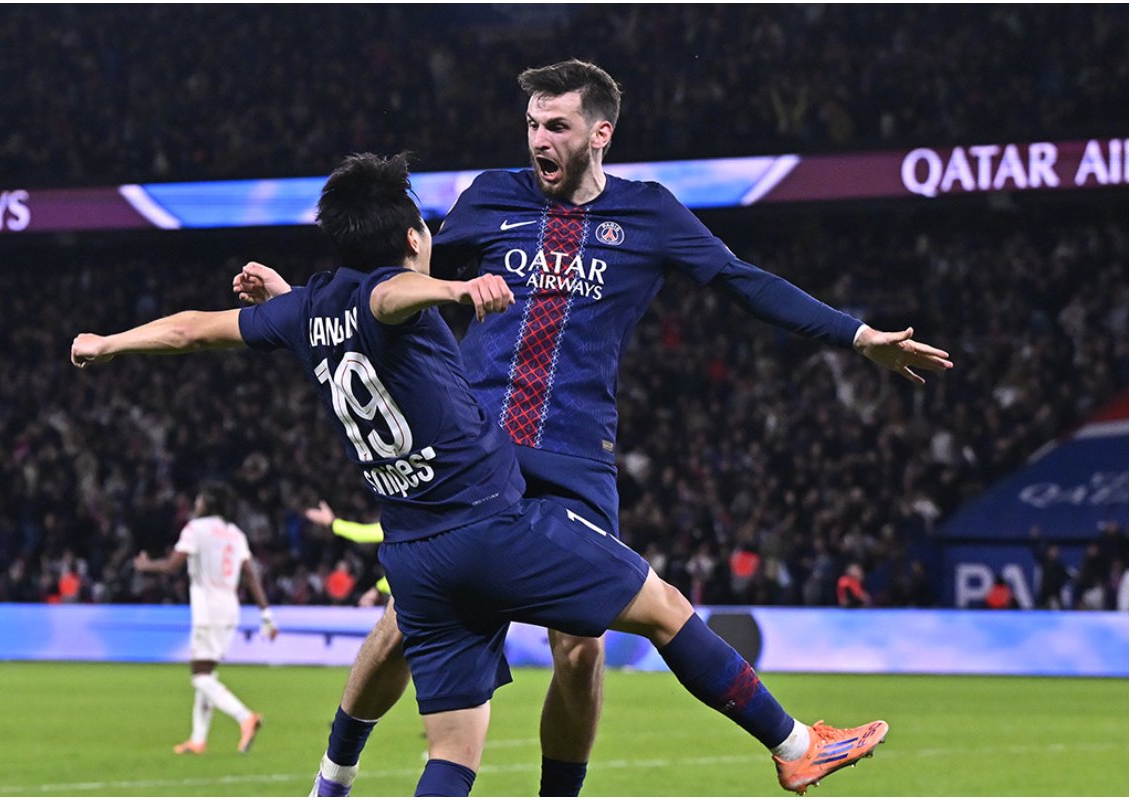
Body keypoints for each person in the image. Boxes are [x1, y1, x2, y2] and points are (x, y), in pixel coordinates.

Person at [234, 59, 950, 796]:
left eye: (556, 126)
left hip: (577, 456)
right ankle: (334, 777)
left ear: (599, 133)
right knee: (401, 626)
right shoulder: (491, 197)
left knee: (582, 652)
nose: (538, 139)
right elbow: (390, 268)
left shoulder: (651, 214)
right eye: (532, 125)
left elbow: (744, 282)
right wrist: (300, 303)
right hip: (478, 445)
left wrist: (858, 337)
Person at [72, 151, 889, 796]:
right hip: (495, 528)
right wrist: (458, 288)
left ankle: (333, 785)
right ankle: (795, 746)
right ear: (409, 240)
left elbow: (191, 330)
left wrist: (108, 344)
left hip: (417, 557)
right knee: (667, 610)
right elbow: (393, 301)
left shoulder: (306, 311)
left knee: (453, 755)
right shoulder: (402, 286)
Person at [131, 481, 278, 754]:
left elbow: (172, 565)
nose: (195, 505)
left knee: (200, 677)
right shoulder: (236, 534)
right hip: (230, 606)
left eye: (198, 501)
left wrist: (146, 565)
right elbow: (250, 575)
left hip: (208, 609)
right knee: (207, 673)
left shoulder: (195, 529)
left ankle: (245, 717)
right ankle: (198, 739)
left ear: (208, 504)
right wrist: (266, 614)